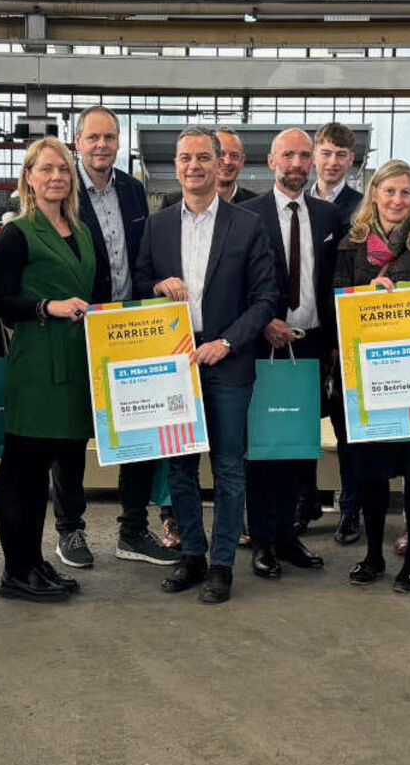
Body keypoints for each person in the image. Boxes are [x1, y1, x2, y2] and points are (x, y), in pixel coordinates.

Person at [135, 127, 278, 605]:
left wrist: (227, 342)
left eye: (202, 157)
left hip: (228, 361)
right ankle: (192, 554)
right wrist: (157, 286)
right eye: (185, 158)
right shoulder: (156, 225)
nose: (193, 166)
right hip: (175, 361)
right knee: (180, 466)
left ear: (220, 165)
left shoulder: (248, 224)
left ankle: (222, 564)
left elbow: (266, 298)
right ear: (175, 166)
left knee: (229, 467)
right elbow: (138, 280)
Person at [0, 137, 106, 602]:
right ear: (29, 178)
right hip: (37, 361)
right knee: (22, 466)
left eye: (63, 169)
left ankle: (33, 562)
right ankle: (15, 571)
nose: (56, 176)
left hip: (75, 361)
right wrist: (46, 306)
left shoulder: (82, 230)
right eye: (46, 169)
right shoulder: (18, 232)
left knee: (45, 468)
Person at [59, 105, 180, 567]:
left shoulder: (132, 190)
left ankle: (132, 529)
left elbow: (142, 255)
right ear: (77, 142)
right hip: (78, 327)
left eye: (109, 137)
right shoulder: (62, 188)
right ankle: (70, 530)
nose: (102, 145)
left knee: (139, 431)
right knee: (71, 436)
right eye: (93, 137)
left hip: (129, 329)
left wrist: (154, 288)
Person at [333, 160, 410, 592]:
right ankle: (372, 556)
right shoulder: (351, 245)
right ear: (374, 194)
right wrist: (365, 297)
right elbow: (334, 302)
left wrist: (407, 300)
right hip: (370, 381)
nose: (397, 200)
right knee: (371, 474)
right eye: (389, 191)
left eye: (405, 192)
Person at [233, 129, 342, 580]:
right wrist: (262, 322)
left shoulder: (330, 216)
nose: (297, 163)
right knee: (264, 447)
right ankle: (261, 539)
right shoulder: (246, 216)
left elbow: (335, 279)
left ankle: (288, 535)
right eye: (288, 155)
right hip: (265, 346)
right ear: (272, 160)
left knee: (298, 447)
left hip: (312, 344)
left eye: (303, 155)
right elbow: (234, 282)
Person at [309, 121, 366, 544]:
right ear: (315, 155)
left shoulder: (362, 208)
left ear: (352, 160)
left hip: (344, 331)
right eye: (326, 153)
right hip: (300, 329)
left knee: (348, 428)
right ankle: (304, 502)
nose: (332, 162)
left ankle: (351, 508)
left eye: (340, 155)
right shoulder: (294, 200)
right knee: (301, 421)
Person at [213, 128, 265, 205]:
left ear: (242, 161)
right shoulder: (193, 203)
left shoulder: (259, 206)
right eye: (221, 154)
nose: (227, 162)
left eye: (234, 156)